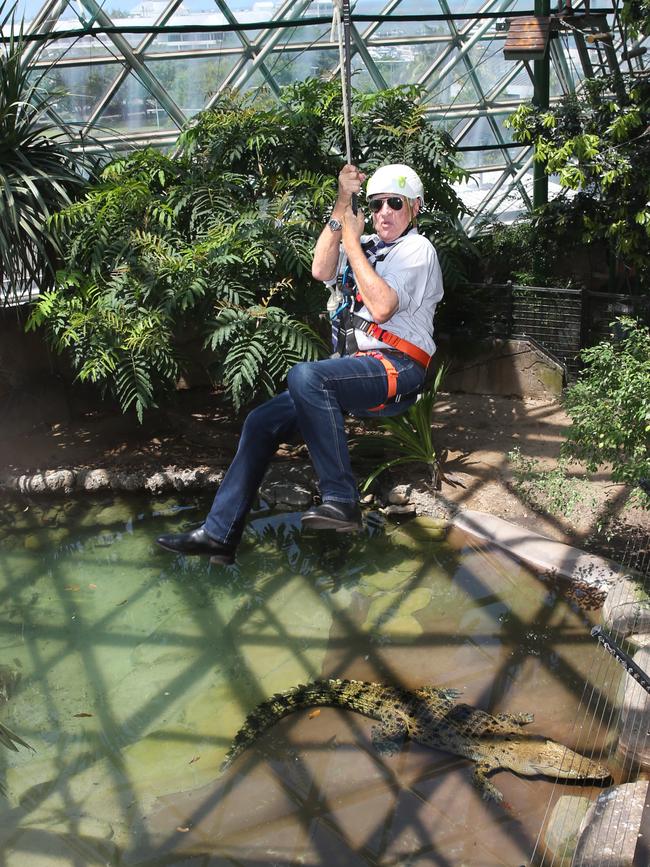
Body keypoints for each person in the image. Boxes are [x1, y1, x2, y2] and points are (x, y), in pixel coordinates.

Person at [156, 163, 444, 565]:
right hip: (358, 367)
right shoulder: (369, 249)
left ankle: (341, 500)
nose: (383, 213)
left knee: (307, 376)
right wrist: (343, 203)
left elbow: (381, 307)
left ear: (414, 208)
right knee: (261, 422)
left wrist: (355, 243)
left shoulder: (417, 249)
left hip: (399, 367)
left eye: (394, 203)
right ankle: (220, 534)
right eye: (376, 204)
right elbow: (321, 269)